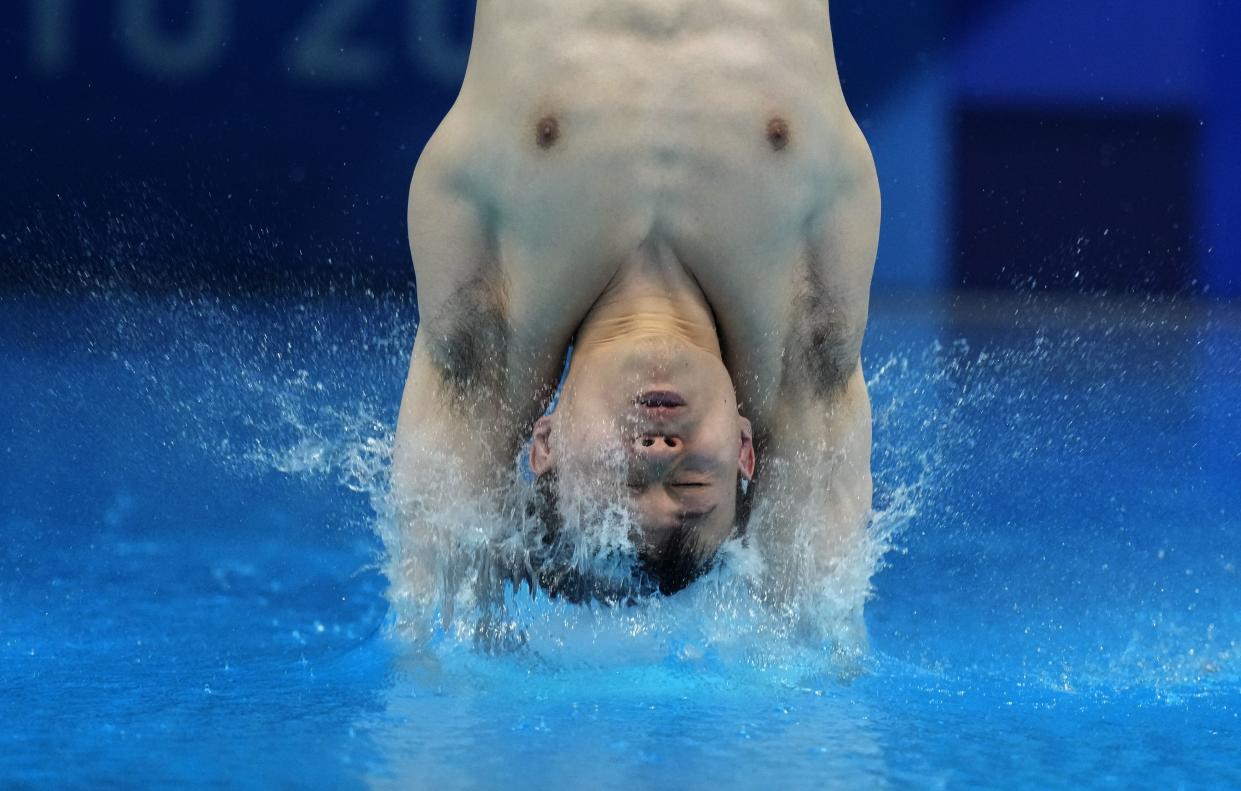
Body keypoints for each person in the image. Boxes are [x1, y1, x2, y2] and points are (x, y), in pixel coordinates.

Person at [393, 0, 879, 609]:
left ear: (545, 446)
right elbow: (819, 619)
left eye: (623, 479)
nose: (657, 452)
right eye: (695, 483)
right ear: (745, 448)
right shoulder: (801, 332)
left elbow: (434, 603)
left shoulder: (493, 308)